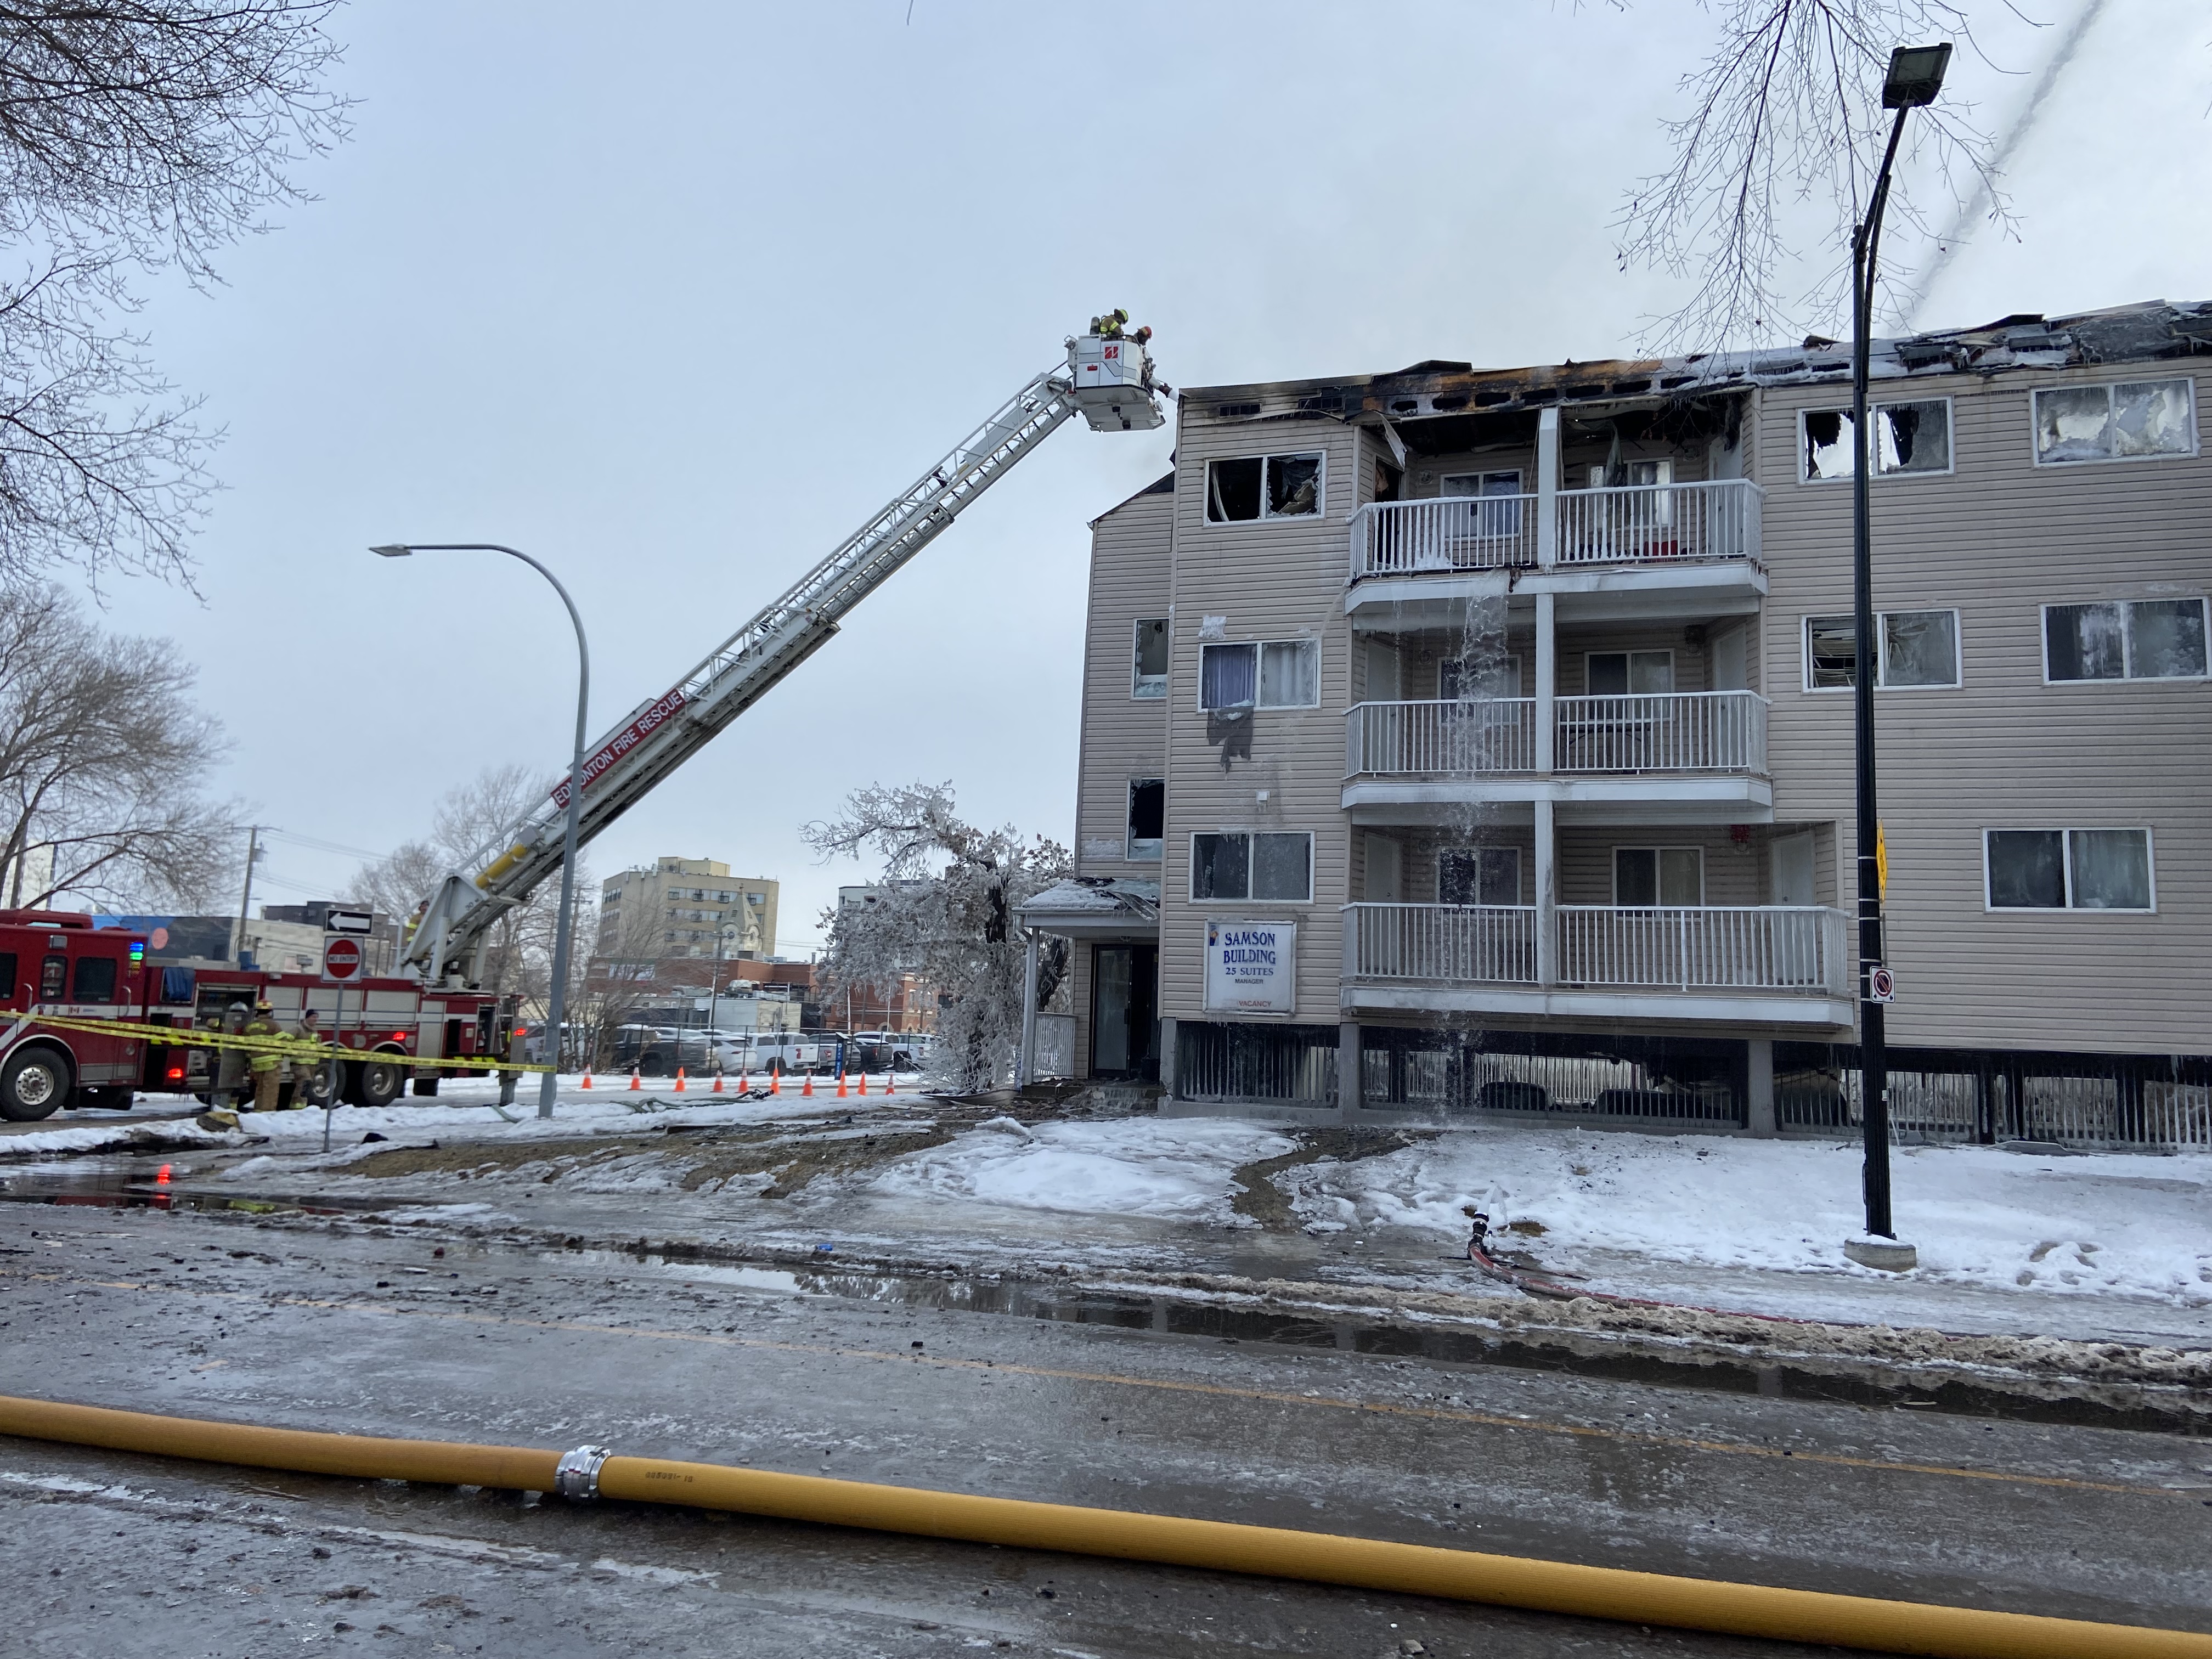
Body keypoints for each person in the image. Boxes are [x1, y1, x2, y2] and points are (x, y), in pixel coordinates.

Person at [243, 998, 285, 1115]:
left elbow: (245, 1045)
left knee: (260, 1088)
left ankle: (258, 1110)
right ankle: (268, 1113)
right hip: (272, 1063)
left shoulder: (249, 1027)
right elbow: (283, 1043)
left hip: (256, 1063)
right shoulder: (274, 1025)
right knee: (270, 1089)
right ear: (270, 1012)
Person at [286, 1007, 328, 1110]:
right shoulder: (298, 1029)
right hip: (299, 1063)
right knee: (305, 1082)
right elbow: (286, 1040)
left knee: (307, 1085)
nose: (316, 1020)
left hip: (312, 1064)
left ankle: (301, 1106)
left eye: (317, 1018)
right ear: (307, 1018)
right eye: (314, 1017)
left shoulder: (314, 1032)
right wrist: (292, 1052)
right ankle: (297, 1106)